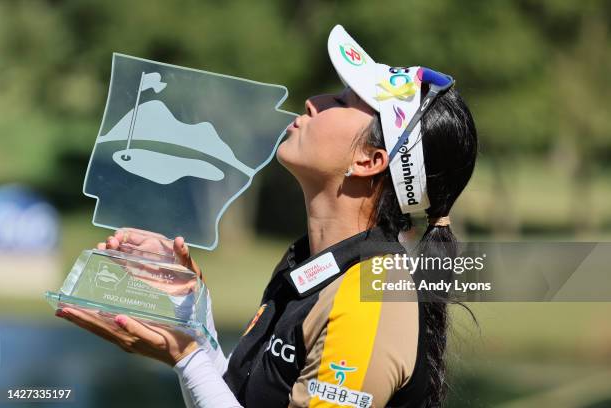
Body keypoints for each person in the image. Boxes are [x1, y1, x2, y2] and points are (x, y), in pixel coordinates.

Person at [56, 25, 477, 407]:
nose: (313, 102)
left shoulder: (373, 294)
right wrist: (191, 321)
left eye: (345, 101)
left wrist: (186, 357)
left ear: (371, 161)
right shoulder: (309, 264)